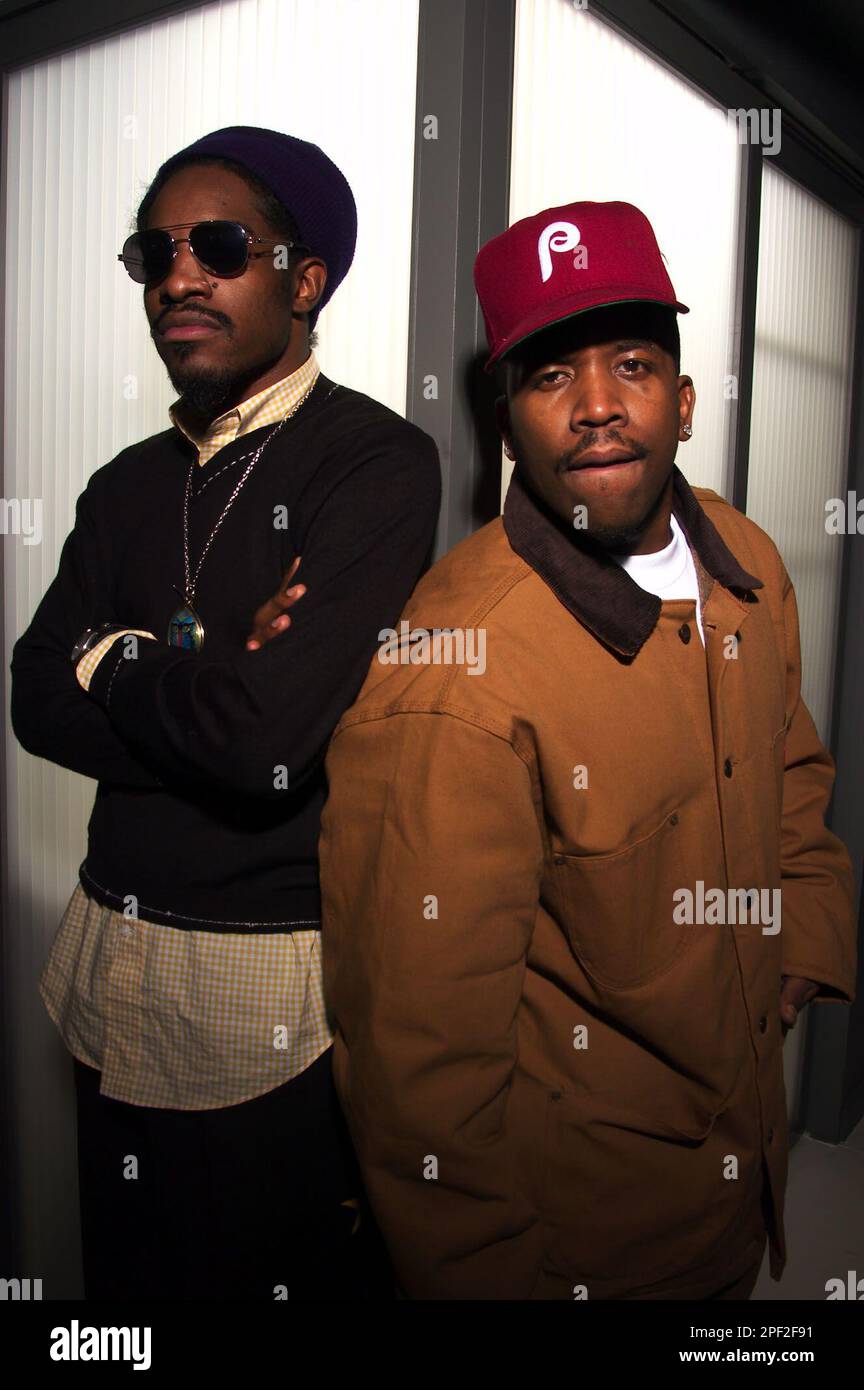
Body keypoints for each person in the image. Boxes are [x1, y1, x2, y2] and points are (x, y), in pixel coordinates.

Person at [317, 199, 857, 1300]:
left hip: (738, 1175)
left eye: (633, 363)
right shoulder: (448, 672)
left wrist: (800, 943)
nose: (600, 407)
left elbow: (792, 770)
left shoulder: (744, 556)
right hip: (590, 1245)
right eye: (554, 375)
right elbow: (418, 1063)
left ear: (688, 399)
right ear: (508, 419)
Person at [10, 125, 440, 1300]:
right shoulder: (124, 485)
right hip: (111, 958)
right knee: (127, 1289)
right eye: (155, 253)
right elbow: (33, 697)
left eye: (219, 245)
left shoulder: (376, 464)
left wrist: (117, 660)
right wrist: (199, 680)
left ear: (304, 281)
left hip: (264, 989)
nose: (178, 276)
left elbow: (264, 750)